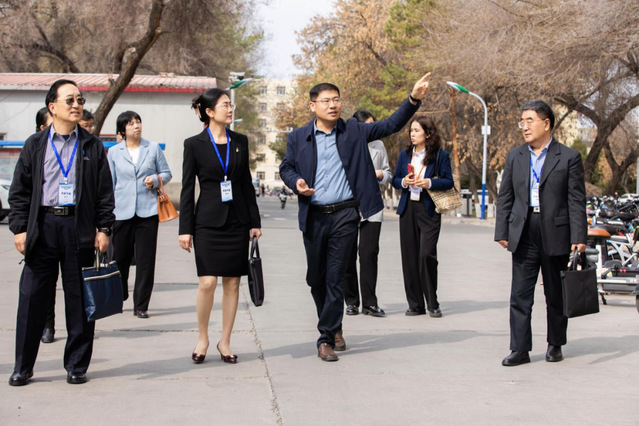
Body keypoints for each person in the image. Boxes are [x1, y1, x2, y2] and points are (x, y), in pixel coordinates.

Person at [279, 73, 432, 362]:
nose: (333, 105)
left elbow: (390, 124)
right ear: (312, 106)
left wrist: (413, 99)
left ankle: (326, 338)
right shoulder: (298, 137)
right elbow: (286, 167)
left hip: (345, 214)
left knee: (335, 276)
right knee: (316, 279)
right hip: (314, 216)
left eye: (336, 100)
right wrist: (296, 182)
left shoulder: (353, 130)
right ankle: (334, 324)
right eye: (326, 101)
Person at [8, 79, 115, 386]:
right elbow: (20, 191)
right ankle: (23, 367)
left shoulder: (92, 145)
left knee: (79, 300)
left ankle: (76, 365)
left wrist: (104, 228)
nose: (77, 105)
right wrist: (19, 229)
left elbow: (104, 193)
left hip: (78, 228)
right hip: (42, 227)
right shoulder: (35, 144)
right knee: (32, 298)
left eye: (80, 100)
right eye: (70, 100)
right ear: (52, 106)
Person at [495, 100, 587, 367]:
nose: (524, 127)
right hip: (524, 230)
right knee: (520, 294)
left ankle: (555, 344)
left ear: (546, 124)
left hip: (556, 231)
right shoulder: (515, 156)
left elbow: (576, 200)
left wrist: (578, 237)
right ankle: (519, 349)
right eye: (522, 121)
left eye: (530, 121)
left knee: (555, 294)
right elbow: (505, 197)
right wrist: (502, 230)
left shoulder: (568, 157)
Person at [179, 88, 261, 364]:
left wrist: (254, 221)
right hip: (206, 222)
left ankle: (225, 341)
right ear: (210, 111)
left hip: (237, 221)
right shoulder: (194, 144)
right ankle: (202, 338)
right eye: (225, 105)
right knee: (207, 282)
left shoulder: (240, 141)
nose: (230, 109)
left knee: (232, 283)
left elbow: (245, 184)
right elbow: (187, 188)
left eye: (230, 105)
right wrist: (185, 228)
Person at [107, 111, 172, 319]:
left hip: (148, 212)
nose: (136, 126)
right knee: (120, 258)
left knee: (146, 260)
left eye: (138, 122)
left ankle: (141, 305)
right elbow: (110, 183)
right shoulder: (114, 152)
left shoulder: (152, 148)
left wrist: (155, 179)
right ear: (122, 130)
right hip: (121, 212)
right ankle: (121, 293)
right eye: (130, 123)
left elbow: (167, 173)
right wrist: (107, 212)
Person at [392, 116, 453, 318]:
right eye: (411, 130)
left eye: (417, 130)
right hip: (408, 208)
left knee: (426, 254)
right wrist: (404, 181)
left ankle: (432, 303)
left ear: (427, 134)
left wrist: (429, 183)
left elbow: (448, 181)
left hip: (428, 210)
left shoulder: (440, 155)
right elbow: (395, 180)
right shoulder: (405, 155)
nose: (412, 134)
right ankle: (415, 304)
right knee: (409, 257)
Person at [343, 110, 392, 317]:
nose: (373, 129)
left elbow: (388, 173)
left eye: (374, 124)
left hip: (372, 205)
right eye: (368, 125)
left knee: (369, 253)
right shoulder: (346, 142)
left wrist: (381, 174)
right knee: (347, 254)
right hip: (348, 204)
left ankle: (370, 303)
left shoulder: (378, 145)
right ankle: (351, 301)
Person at [33, 107, 59, 344]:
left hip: (73, 222)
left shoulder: (82, 146)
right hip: (45, 222)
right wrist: (22, 229)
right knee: (47, 281)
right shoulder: (35, 149)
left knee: (75, 282)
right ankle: (47, 324)